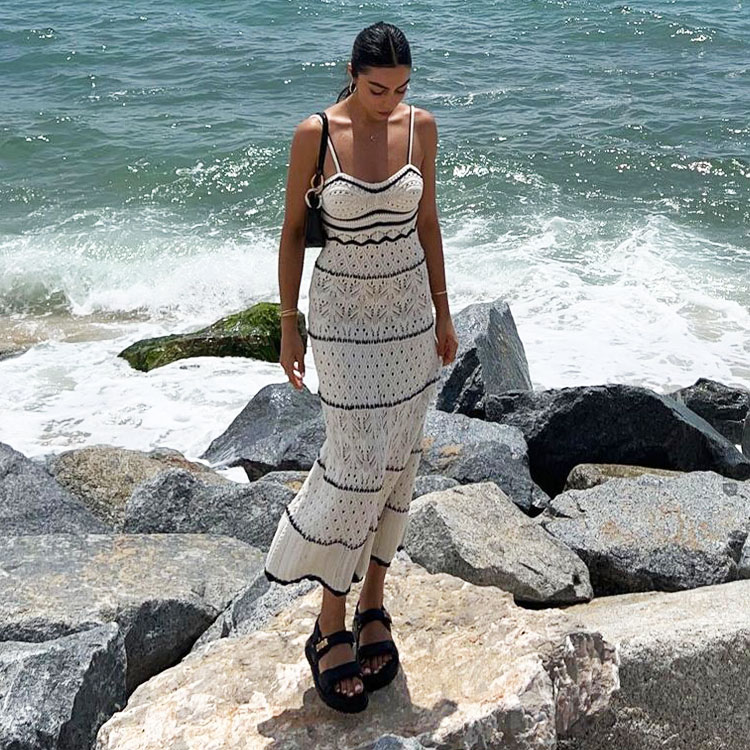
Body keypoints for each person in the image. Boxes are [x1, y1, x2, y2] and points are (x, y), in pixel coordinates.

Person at [264, 21, 458, 713]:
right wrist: (289, 324)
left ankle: (374, 602)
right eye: (378, 88)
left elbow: (428, 222)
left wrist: (443, 310)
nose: (389, 101)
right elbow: (293, 231)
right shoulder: (314, 134)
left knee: (399, 459)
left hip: (408, 315)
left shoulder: (420, 128)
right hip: (342, 319)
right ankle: (328, 622)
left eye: (401, 88)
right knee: (352, 463)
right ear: (352, 74)